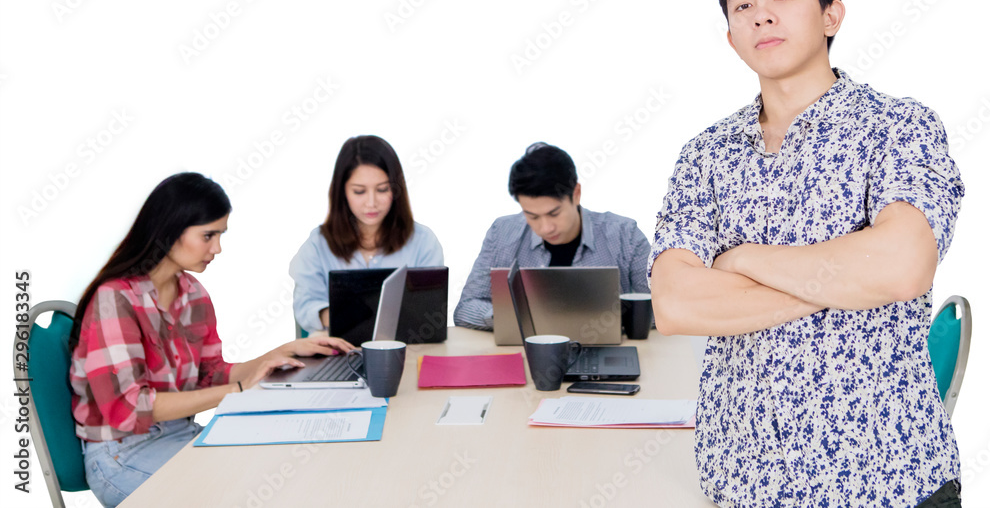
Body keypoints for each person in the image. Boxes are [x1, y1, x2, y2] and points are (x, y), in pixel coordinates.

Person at [648, 0, 963, 507]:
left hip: (887, 479)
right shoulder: (706, 154)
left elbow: (902, 266)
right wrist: (846, 278)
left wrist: (738, 260)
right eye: (743, 6)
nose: (761, 15)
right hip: (745, 483)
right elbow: (676, 303)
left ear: (831, 17)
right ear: (731, 36)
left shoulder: (898, 126)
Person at [69, 173, 354, 507]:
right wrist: (237, 391)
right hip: (121, 454)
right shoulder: (115, 299)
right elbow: (128, 409)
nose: (217, 248)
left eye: (220, 235)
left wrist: (281, 352)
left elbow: (209, 376)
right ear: (170, 230)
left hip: (180, 436)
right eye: (208, 235)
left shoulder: (193, 294)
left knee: (281, 479)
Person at [454, 142, 651, 330]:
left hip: (610, 351)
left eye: (554, 213)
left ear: (576, 194)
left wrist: (617, 323)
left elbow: (661, 308)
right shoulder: (502, 233)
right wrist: (510, 318)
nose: (545, 228)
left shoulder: (625, 235)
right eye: (532, 216)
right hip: (527, 352)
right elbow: (466, 308)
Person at [291, 135, 444, 334]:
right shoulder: (318, 244)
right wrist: (342, 317)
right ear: (342, 192)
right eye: (359, 191)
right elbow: (305, 306)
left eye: (382, 189)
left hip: (407, 348)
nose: (371, 203)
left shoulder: (423, 242)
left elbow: (429, 311)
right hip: (338, 349)